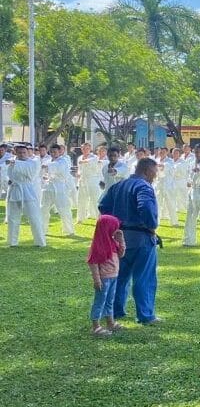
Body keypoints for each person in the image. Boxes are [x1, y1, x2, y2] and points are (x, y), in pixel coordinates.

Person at [98, 157, 161, 325]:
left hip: (119, 237)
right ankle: (146, 315)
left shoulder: (118, 186)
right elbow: (146, 207)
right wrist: (151, 225)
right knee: (144, 277)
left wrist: (113, 226)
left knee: (119, 276)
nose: (155, 176)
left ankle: (116, 310)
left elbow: (103, 206)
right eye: (155, 172)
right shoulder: (144, 186)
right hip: (141, 236)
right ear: (147, 171)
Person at [87, 214, 126, 337]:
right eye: (114, 227)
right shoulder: (98, 246)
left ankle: (110, 322)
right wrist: (97, 280)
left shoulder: (113, 242)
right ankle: (96, 326)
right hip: (104, 279)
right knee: (100, 301)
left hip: (114, 277)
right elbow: (93, 263)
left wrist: (121, 240)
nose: (116, 230)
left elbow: (121, 254)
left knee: (110, 301)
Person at [5, 144, 46, 246]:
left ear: (28, 153)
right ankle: (12, 242)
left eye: (24, 152)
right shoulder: (11, 161)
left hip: (28, 190)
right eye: (20, 153)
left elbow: (30, 172)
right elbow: (7, 174)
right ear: (15, 152)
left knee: (34, 217)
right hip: (15, 189)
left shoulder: (34, 162)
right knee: (13, 217)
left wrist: (15, 163)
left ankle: (40, 242)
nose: (22, 154)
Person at [41, 144, 77, 236]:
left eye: (55, 152)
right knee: (43, 209)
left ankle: (69, 230)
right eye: (51, 152)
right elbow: (43, 171)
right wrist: (44, 172)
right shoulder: (48, 160)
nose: (53, 153)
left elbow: (55, 167)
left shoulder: (63, 161)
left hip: (60, 187)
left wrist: (45, 167)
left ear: (59, 152)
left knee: (64, 209)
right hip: (48, 187)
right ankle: (42, 229)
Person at [76, 143, 102, 223]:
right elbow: (79, 168)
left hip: (92, 180)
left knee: (95, 200)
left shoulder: (94, 157)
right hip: (82, 181)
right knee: (81, 200)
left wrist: (84, 161)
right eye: (83, 149)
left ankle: (100, 219)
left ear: (90, 149)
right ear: (81, 149)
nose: (85, 150)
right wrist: (78, 173)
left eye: (87, 148)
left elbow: (92, 161)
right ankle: (80, 219)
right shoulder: (79, 157)